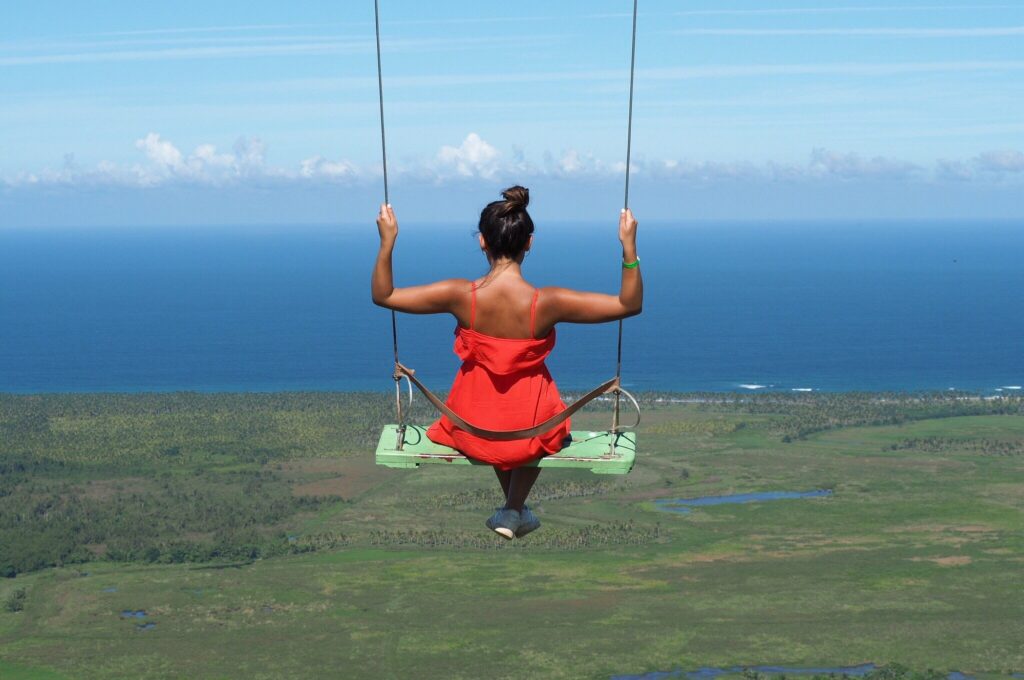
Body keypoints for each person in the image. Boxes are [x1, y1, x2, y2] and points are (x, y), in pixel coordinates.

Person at [371, 186, 642, 539]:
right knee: (541, 426)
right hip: (530, 429)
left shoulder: (460, 295)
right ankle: (513, 509)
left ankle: (514, 511)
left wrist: (387, 241)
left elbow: (384, 295)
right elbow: (628, 304)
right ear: (529, 243)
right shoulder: (547, 302)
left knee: (505, 434)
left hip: (472, 428)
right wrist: (628, 247)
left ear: (482, 241)